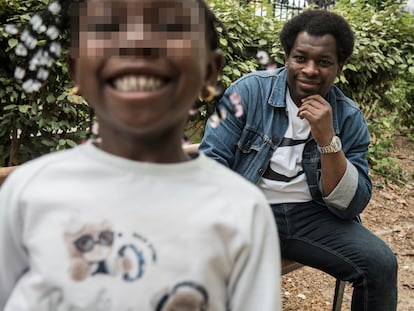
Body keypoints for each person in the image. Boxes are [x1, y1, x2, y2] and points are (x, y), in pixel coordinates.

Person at [0, 1, 282, 310]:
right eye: (107, 28)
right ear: (75, 68)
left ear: (209, 71)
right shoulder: (27, 193)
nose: (137, 42)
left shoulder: (242, 212)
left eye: (171, 28)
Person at [200, 9, 398, 311]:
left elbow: (352, 203)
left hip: (312, 217)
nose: (309, 69)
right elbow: (211, 161)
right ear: (287, 58)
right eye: (300, 58)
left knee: (380, 264)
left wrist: (328, 141)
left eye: (324, 62)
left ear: (339, 67)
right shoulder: (248, 92)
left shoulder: (348, 117)